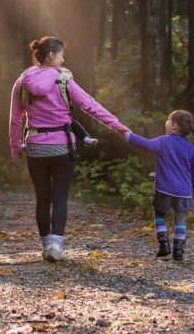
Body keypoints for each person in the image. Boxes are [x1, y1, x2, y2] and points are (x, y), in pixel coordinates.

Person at [9, 35, 128, 262]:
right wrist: (118, 127)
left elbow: (16, 118)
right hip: (62, 147)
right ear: (52, 55)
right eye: (61, 55)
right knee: (60, 197)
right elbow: (90, 106)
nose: (63, 60)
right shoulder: (63, 80)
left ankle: (45, 246)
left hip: (35, 147)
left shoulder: (23, 80)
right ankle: (56, 245)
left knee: (42, 198)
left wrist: (16, 145)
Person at [124, 109, 194, 263]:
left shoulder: (163, 141)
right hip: (184, 192)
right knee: (181, 219)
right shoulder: (191, 149)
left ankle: (164, 244)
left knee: (159, 214)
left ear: (173, 125)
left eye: (168, 120)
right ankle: (179, 250)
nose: (166, 122)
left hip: (164, 189)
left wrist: (127, 134)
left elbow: (144, 143)